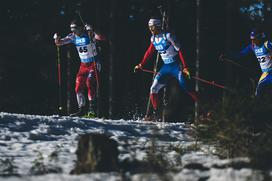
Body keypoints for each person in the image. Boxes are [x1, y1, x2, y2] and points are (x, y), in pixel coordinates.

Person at [134, 18, 198, 120]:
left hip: (176, 65)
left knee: (185, 86)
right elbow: (149, 52)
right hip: (166, 67)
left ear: (158, 26)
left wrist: (185, 67)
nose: (151, 29)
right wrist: (141, 64)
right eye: (149, 27)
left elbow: (180, 50)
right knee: (153, 89)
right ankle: (155, 114)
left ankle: (202, 109)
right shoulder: (153, 39)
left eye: (153, 27)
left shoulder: (168, 36)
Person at [54, 20, 105, 117]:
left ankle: (92, 110)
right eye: (72, 29)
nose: (74, 31)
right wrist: (56, 39)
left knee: (89, 82)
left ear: (81, 28)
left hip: (94, 63)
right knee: (78, 86)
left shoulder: (89, 34)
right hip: (83, 65)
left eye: (75, 29)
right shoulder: (73, 36)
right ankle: (81, 110)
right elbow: (59, 43)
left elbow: (102, 37)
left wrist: (92, 29)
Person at [222, 29, 272, 96]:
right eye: (251, 39)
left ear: (260, 38)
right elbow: (241, 54)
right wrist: (227, 56)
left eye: (255, 39)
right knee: (258, 93)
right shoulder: (252, 47)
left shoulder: (267, 44)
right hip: (265, 73)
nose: (253, 41)